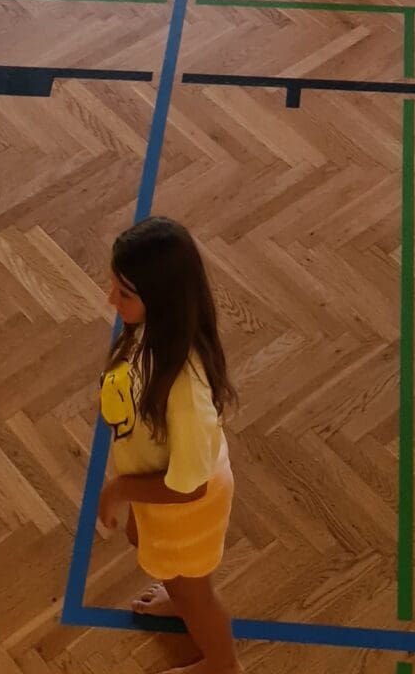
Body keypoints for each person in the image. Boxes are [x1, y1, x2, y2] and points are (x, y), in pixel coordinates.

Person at [95, 216, 238, 674]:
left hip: (187, 505)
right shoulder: (155, 333)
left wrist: (119, 490)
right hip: (162, 489)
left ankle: (222, 665)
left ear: (160, 299)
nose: (111, 300)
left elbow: (189, 487)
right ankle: (180, 597)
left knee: (197, 597)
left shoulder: (185, 389)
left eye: (124, 293)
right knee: (177, 578)